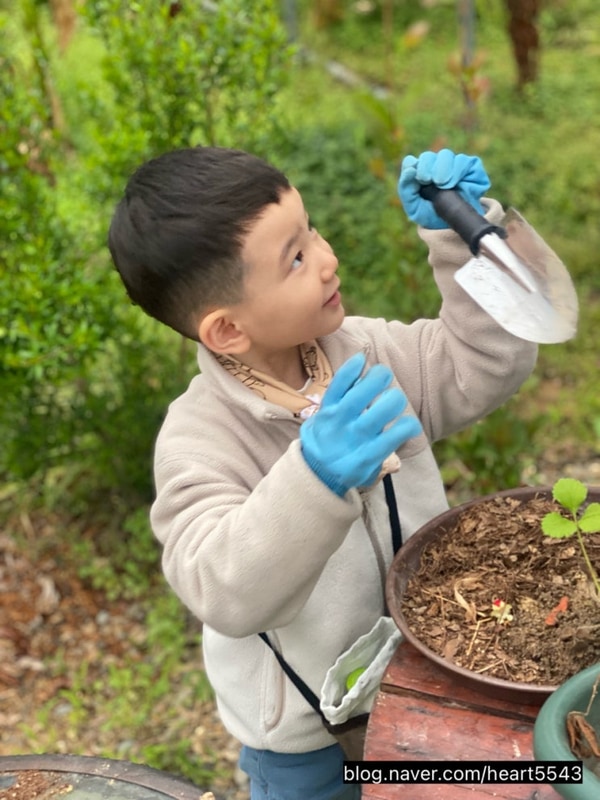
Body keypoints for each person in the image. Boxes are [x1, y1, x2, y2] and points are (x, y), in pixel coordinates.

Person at [108, 146, 537, 800]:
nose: (328, 256)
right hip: (312, 743)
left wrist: (469, 237)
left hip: (431, 681)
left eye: (310, 231)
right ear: (226, 330)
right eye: (297, 259)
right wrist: (314, 479)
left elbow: (482, 364)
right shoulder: (201, 438)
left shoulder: (364, 354)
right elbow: (221, 587)